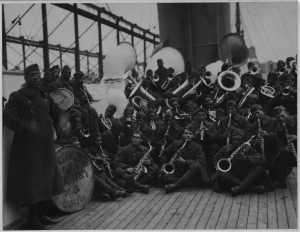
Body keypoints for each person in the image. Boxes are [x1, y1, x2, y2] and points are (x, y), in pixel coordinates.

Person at [3, 64, 64, 230]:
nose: (36, 77)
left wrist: (64, 117)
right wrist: (25, 125)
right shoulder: (16, 96)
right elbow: (7, 117)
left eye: (38, 74)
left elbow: (55, 111)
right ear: (25, 78)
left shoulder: (43, 95)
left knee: (46, 179)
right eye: (32, 75)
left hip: (45, 144)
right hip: (28, 148)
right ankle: (33, 219)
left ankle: (43, 215)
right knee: (32, 183)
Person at [213, 130, 269, 196]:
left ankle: (239, 188)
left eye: (238, 140)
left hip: (245, 174)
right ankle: (251, 188)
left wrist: (246, 158)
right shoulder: (225, 149)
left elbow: (263, 159)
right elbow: (216, 158)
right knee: (223, 175)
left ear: (242, 140)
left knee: (259, 168)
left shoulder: (249, 149)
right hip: (232, 174)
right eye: (234, 139)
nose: (236, 142)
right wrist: (217, 166)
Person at [159, 125, 208, 193]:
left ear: (193, 136)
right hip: (178, 172)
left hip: (190, 172)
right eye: (186, 133)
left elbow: (201, 162)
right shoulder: (176, 144)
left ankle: (175, 185)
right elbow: (164, 153)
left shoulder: (197, 147)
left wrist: (185, 162)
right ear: (182, 135)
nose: (188, 135)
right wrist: (164, 164)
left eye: (190, 134)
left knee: (196, 166)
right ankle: (191, 184)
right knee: (166, 177)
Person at [86, 133, 127, 200]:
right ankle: (106, 193)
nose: (99, 142)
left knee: (111, 182)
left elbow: (109, 160)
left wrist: (107, 161)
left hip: (104, 171)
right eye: (97, 140)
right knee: (105, 180)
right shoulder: (88, 151)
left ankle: (119, 190)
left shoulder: (101, 150)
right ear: (92, 141)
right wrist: (101, 160)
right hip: (96, 172)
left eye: (100, 140)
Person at [247, 104, 279, 180]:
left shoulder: (274, 121)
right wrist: (255, 141)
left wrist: (269, 135)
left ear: (263, 111)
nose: (256, 115)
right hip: (259, 151)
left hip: (273, 150)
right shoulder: (252, 126)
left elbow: (282, 136)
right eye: (254, 114)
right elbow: (248, 140)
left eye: (258, 112)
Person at [187, 107, 219, 177]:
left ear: (206, 116)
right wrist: (195, 135)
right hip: (195, 147)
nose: (201, 117)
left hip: (207, 147)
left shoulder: (211, 125)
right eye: (199, 115)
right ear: (196, 116)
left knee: (214, 146)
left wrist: (207, 133)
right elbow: (185, 138)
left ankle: (210, 171)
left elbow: (215, 138)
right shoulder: (191, 126)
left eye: (203, 115)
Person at [272, 106, 297, 188]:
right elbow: (281, 145)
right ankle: (281, 181)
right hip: (293, 152)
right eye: (278, 118)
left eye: (283, 116)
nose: (281, 119)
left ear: (288, 114)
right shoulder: (279, 129)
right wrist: (286, 149)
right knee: (279, 158)